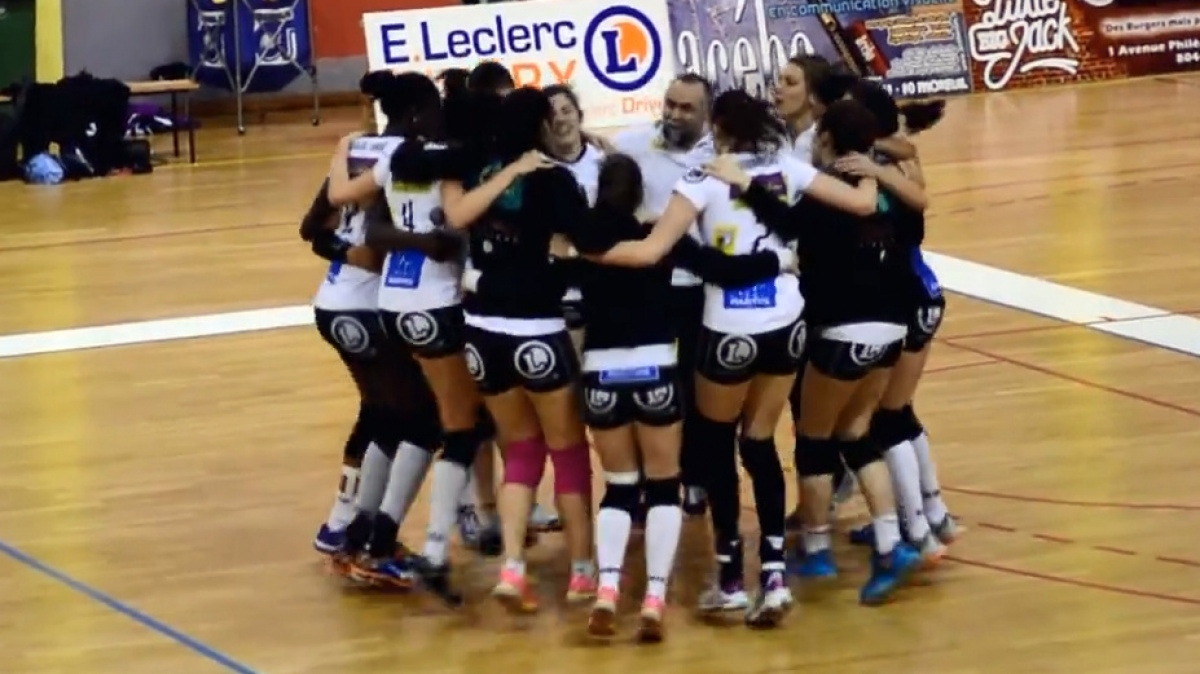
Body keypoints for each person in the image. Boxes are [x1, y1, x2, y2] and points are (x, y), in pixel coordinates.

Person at [594, 89, 876, 626]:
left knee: (716, 445)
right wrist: (874, 169)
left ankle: (728, 578)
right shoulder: (785, 166)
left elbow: (652, 251)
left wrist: (587, 251)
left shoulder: (702, 177)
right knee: (761, 444)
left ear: (718, 130)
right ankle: (774, 576)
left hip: (730, 329)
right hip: (786, 324)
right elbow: (862, 205)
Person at [706, 98, 924, 604]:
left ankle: (818, 549)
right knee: (857, 432)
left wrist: (746, 187)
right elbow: (914, 220)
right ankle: (891, 543)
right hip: (892, 326)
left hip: (844, 326)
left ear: (825, 141)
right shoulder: (885, 190)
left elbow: (787, 227)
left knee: (815, 438)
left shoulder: (822, 193)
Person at [398, 86, 597, 612]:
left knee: (522, 448)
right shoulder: (552, 178)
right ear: (541, 126)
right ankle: (581, 572)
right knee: (567, 449)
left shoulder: (475, 168)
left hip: (482, 331)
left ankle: (512, 568)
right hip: (537, 327)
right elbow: (590, 241)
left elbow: (449, 205)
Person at [325, 72, 485, 602]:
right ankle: (392, 541)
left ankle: (359, 535)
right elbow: (452, 222)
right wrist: (438, 242)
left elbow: (347, 205)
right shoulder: (451, 160)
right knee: (449, 426)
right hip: (431, 304)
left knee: (398, 418)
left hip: (389, 300)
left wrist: (341, 150)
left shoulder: (392, 157)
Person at [306, 72, 452, 589]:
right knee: (420, 421)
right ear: (415, 113)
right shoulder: (409, 158)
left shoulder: (355, 151)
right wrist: (415, 247)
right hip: (369, 309)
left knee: (382, 414)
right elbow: (378, 235)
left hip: (334, 303)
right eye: (433, 109)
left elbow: (311, 228)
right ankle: (372, 542)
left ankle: (344, 530)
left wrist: (344, 254)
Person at [831, 82, 960, 555]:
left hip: (905, 295)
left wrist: (874, 169)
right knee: (898, 413)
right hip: (920, 290)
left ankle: (917, 528)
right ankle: (934, 512)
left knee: (884, 420)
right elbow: (906, 150)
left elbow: (919, 200)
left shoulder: (884, 166)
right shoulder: (898, 153)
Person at [610, 73, 715, 516]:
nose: (673, 114)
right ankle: (640, 483)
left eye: (686, 108)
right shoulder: (631, 143)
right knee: (647, 384)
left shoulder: (721, 154)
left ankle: (695, 478)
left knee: (695, 388)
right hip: (644, 288)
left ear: (706, 113)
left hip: (700, 288)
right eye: (670, 103)